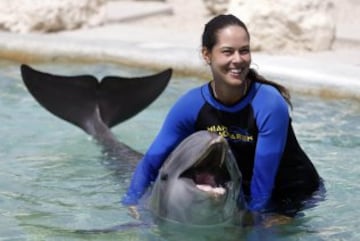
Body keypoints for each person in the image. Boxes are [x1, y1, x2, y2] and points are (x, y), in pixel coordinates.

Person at [121, 14, 321, 226]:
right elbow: (152, 162)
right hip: (239, 187)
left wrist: (253, 217)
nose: (238, 59)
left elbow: (264, 180)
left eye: (244, 51)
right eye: (227, 51)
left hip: (290, 193)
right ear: (207, 55)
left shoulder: (269, 104)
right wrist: (132, 203)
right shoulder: (191, 104)